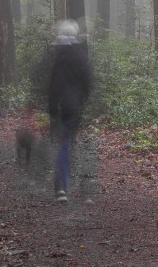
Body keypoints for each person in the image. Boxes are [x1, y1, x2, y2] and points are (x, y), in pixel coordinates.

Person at [45, 19, 92, 202]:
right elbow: (88, 81)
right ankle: (79, 188)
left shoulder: (58, 57)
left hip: (62, 107)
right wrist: (83, 100)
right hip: (75, 107)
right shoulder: (80, 55)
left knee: (64, 145)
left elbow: (54, 85)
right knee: (69, 143)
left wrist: (51, 107)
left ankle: (61, 187)